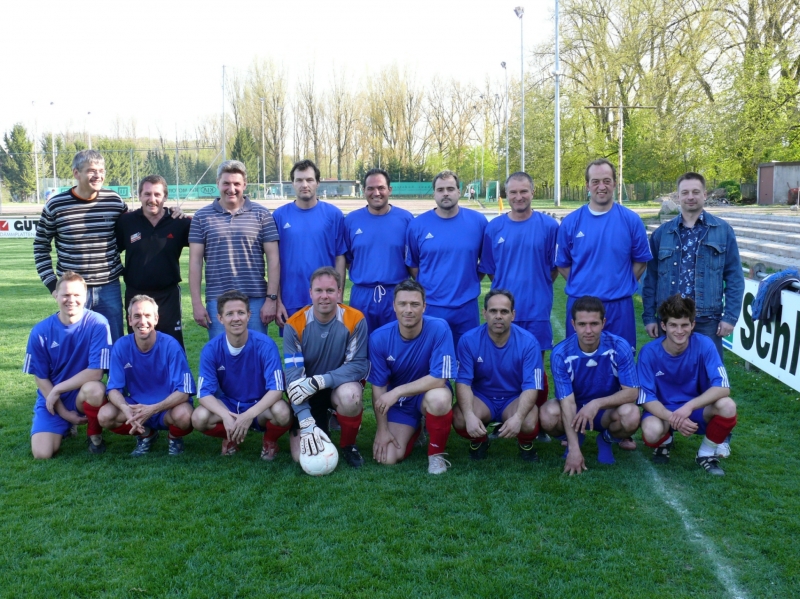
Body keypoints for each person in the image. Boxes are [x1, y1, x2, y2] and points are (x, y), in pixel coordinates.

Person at [642, 172, 744, 360]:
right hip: (669, 320)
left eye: (696, 192)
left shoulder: (723, 231)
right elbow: (651, 279)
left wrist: (730, 317)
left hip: (707, 320)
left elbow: (735, 277)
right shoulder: (662, 234)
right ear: (678, 196)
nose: (690, 197)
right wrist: (649, 317)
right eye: (685, 192)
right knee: (670, 376)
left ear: (705, 195)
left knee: (709, 377)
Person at [480, 171, 558, 410]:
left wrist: (537, 284)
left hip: (536, 310)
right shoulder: (494, 228)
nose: (519, 196)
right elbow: (492, 270)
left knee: (535, 367)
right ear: (506, 195)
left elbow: (554, 268)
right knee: (501, 365)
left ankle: (535, 421)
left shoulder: (549, 226)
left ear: (532, 192)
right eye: (513, 192)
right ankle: (504, 412)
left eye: (524, 191)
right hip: (502, 312)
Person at [556, 158, 652, 352]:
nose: (602, 186)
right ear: (587, 186)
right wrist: (585, 284)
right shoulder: (571, 222)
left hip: (619, 308)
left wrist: (618, 283)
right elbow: (563, 265)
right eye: (596, 181)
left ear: (615, 183)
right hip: (581, 308)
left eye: (607, 181)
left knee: (620, 366)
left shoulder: (631, 220)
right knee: (580, 366)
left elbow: (641, 261)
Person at [539, 296, 642, 474]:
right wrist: (573, 449)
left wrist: (597, 403)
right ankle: (575, 439)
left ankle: (606, 439)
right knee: (547, 414)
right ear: (573, 324)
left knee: (632, 414)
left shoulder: (619, 346)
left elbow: (632, 393)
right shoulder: (561, 354)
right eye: (582, 324)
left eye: (594, 324)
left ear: (603, 322)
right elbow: (568, 402)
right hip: (576, 410)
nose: (588, 330)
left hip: (606, 412)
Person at [33, 150, 128, 341]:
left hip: (109, 286)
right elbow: (41, 247)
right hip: (72, 290)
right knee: (76, 347)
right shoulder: (56, 206)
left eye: (101, 170)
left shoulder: (114, 201)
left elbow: (135, 227)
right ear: (76, 173)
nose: (98, 175)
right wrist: (53, 285)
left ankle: (115, 374)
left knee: (115, 344)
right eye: (91, 170)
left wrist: (170, 213)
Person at [638, 295, 737, 475]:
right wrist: (672, 417)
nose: (679, 331)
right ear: (663, 326)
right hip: (662, 411)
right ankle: (665, 440)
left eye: (684, 325)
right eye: (673, 325)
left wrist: (689, 407)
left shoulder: (704, 344)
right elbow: (646, 398)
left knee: (728, 406)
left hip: (694, 410)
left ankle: (705, 454)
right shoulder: (649, 352)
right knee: (651, 433)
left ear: (692, 325)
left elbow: (723, 387)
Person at [284, 267, 370, 468]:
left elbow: (358, 366)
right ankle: (315, 421)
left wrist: (322, 380)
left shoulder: (355, 319)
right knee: (299, 457)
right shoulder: (294, 324)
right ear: (310, 293)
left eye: (330, 291)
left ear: (340, 293)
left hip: (337, 387)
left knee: (351, 396)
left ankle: (349, 445)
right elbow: (293, 378)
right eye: (319, 291)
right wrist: (305, 420)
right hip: (307, 391)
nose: (324, 296)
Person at [369, 279, 456, 475]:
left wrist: (398, 391)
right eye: (403, 304)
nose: (408, 310)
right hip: (401, 404)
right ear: (394, 306)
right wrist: (382, 429)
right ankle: (416, 428)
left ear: (424, 306)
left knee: (440, 399)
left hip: (428, 393)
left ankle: (436, 455)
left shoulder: (440, 328)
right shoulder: (378, 338)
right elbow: (379, 388)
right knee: (388, 458)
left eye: (415, 304)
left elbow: (439, 379)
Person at [192, 290, 292, 459]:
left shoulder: (266, 345)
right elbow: (204, 394)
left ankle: (269, 440)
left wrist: (249, 415)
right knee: (198, 417)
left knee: (282, 412)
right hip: (230, 406)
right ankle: (230, 437)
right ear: (220, 318)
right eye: (229, 314)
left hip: (260, 407)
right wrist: (225, 416)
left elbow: (276, 389)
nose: (236, 318)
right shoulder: (211, 349)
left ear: (248, 315)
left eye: (240, 312)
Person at [23, 271, 111, 459]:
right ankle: (66, 426)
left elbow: (96, 373)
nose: (71, 300)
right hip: (52, 398)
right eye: (66, 295)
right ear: (56, 296)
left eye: (77, 295)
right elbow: (41, 377)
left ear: (85, 297)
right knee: (42, 454)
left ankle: (94, 434)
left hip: (81, 393)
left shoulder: (98, 324)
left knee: (95, 389)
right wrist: (63, 410)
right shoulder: (40, 331)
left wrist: (59, 389)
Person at [189, 160, 280, 339]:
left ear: (244, 185)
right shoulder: (201, 217)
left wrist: (271, 299)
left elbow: (274, 259)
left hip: (255, 299)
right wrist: (196, 303)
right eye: (226, 183)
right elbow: (195, 262)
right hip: (218, 300)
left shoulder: (262, 215)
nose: (231, 189)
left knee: (255, 356)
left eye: (237, 183)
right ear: (218, 183)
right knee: (222, 358)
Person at [452, 290, 544, 462]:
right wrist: (470, 416)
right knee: (460, 418)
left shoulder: (529, 343)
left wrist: (517, 418)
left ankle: (525, 444)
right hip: (482, 397)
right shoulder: (468, 340)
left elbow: (531, 386)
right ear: (484, 313)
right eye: (493, 311)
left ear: (513, 315)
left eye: (504, 311)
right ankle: (480, 441)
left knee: (528, 421)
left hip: (513, 398)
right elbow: (463, 382)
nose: (498, 316)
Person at [99, 295, 195, 456]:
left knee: (185, 416)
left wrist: (153, 409)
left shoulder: (171, 345)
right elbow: (113, 389)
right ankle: (146, 435)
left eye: (147, 316)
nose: (142, 321)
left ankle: (174, 438)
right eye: (137, 316)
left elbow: (184, 391)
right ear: (129, 320)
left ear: (156, 319)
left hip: (167, 407)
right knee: (105, 415)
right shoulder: (121, 346)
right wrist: (125, 408)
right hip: (136, 406)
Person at [406, 170, 487, 349]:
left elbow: (485, 263)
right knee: (433, 363)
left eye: (450, 189)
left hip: (466, 307)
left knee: (468, 361)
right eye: (440, 189)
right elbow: (413, 265)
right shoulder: (417, 225)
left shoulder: (478, 222)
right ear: (434, 193)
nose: (446, 193)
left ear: (459, 192)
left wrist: (467, 282)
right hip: (432, 307)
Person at [116, 175, 191, 348]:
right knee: (139, 347)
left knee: (172, 346)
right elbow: (111, 250)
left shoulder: (179, 222)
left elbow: (202, 244)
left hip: (168, 296)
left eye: (157, 194)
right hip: (135, 294)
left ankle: (175, 376)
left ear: (165, 197)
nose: (152, 199)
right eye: (147, 194)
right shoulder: (126, 222)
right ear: (140, 195)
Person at [272, 159, 347, 325]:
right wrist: (277, 301)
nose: (304, 184)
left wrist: (339, 296)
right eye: (299, 180)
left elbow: (340, 257)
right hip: (291, 299)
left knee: (328, 350)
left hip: (326, 299)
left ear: (318, 183)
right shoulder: (279, 216)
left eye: (309, 180)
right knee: (296, 350)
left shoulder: (334, 215)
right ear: (292, 183)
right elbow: (273, 262)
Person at [344, 168, 413, 333]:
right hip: (362, 295)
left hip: (396, 293)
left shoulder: (406, 219)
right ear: (364, 191)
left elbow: (413, 260)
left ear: (389, 190)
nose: (376, 193)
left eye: (381, 188)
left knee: (396, 347)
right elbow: (347, 259)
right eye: (370, 188)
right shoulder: (351, 220)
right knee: (361, 348)